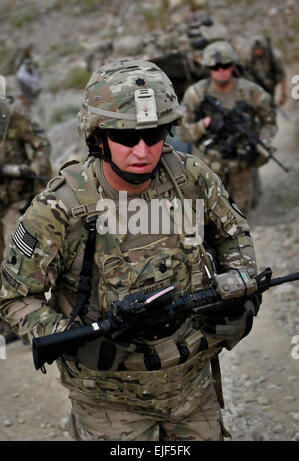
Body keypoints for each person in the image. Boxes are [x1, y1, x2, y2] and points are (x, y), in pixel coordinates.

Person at [0, 60, 260, 441]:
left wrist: (239, 289)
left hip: (192, 387)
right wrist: (76, 340)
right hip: (110, 399)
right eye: (126, 137)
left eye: (155, 134)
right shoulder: (61, 207)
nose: (143, 150)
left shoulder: (190, 177)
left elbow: (234, 234)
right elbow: (15, 298)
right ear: (98, 136)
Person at [178, 41, 277, 215]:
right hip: (208, 168)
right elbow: (183, 132)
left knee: (240, 221)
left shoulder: (251, 92)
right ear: (209, 68)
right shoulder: (196, 94)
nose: (221, 70)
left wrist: (264, 141)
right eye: (216, 67)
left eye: (226, 65)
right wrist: (205, 124)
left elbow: (269, 121)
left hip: (241, 167)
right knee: (209, 221)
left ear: (233, 66)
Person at [0, 75, 51, 342]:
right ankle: (7, 325)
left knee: (17, 259)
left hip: (17, 200)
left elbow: (41, 144)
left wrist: (33, 171)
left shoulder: (14, 119)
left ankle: (33, 322)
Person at [244, 35, 287, 107]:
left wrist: (283, 95)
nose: (257, 51)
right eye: (255, 49)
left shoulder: (273, 58)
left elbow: (282, 76)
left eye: (259, 49)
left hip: (269, 89)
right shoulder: (248, 59)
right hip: (253, 90)